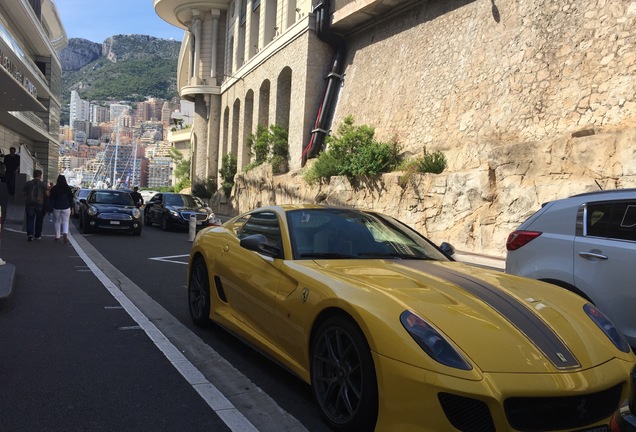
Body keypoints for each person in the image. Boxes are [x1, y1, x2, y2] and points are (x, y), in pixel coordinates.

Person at [23, 169, 48, 241]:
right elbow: (47, 194)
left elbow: (24, 193)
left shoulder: (28, 183)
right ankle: (38, 235)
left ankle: (30, 234)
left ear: (34, 175)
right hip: (40, 204)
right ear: (40, 175)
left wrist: (27, 197)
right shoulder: (43, 184)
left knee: (30, 219)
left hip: (30, 203)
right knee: (39, 220)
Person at [49, 174, 74, 244]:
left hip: (56, 207)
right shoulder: (67, 188)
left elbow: (51, 198)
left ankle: (57, 236)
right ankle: (65, 234)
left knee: (57, 221)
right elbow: (71, 198)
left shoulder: (54, 188)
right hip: (66, 207)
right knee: (65, 222)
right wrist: (72, 208)